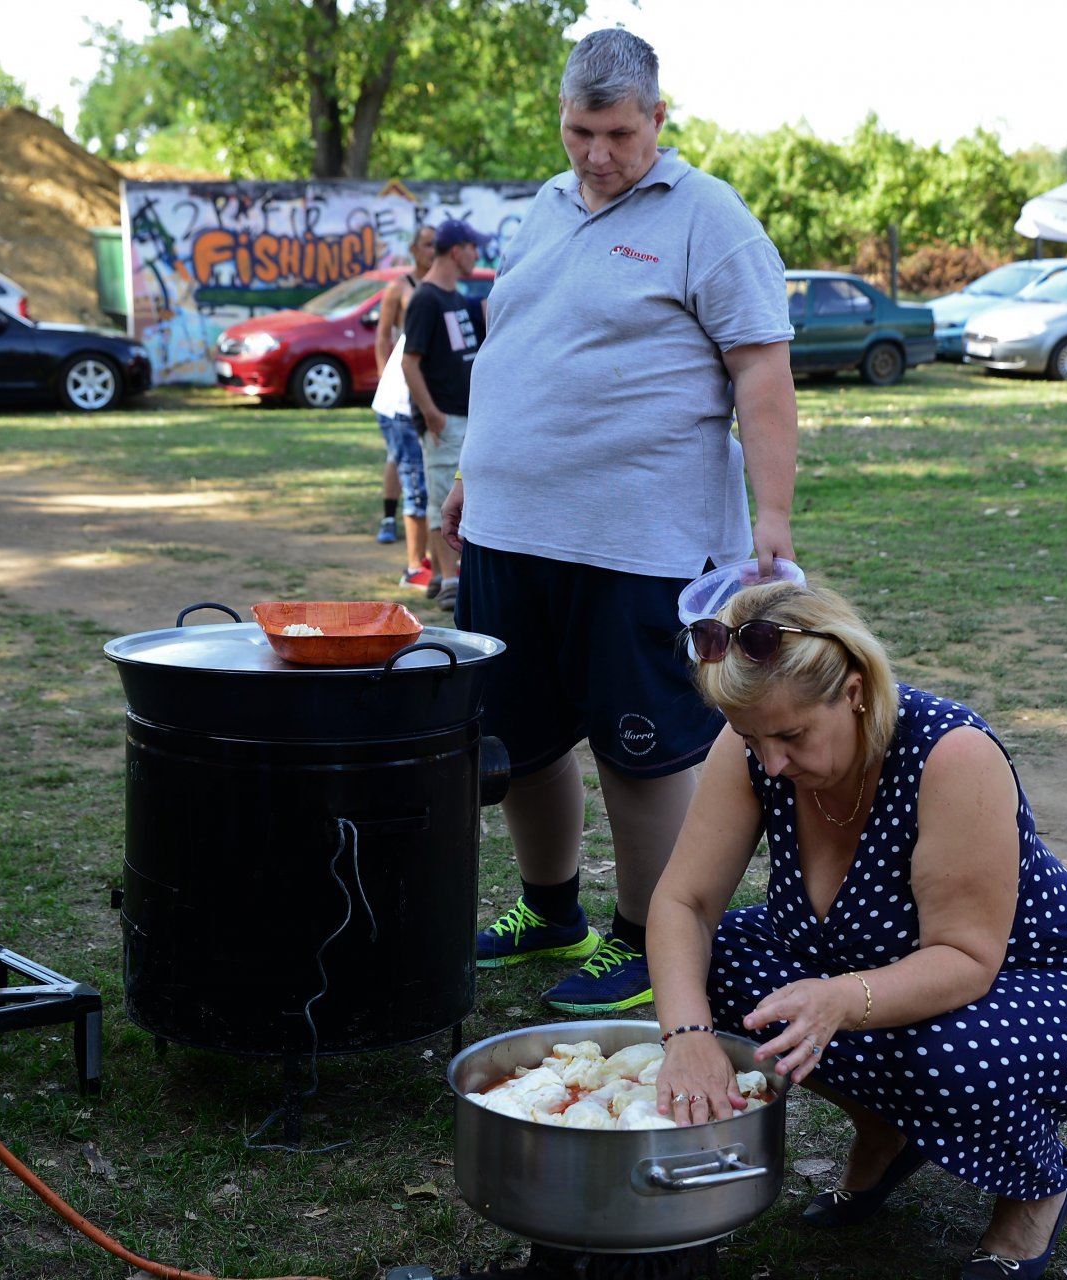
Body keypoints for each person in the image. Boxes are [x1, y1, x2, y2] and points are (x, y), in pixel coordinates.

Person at [646, 582, 1067, 1280]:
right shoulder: (756, 742)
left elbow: (967, 959)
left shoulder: (951, 753)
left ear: (854, 691)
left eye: (792, 737)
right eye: (752, 737)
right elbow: (684, 904)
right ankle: (885, 1133)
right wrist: (688, 1039)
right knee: (714, 965)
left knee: (946, 1052)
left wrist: (836, 998)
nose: (771, 764)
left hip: (1058, 985)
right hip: (881, 966)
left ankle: (1034, 1192)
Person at [441, 27, 798, 1013]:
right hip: (512, 531)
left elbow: (762, 370)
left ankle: (649, 935)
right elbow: (515, 347)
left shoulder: (707, 217)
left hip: (641, 544)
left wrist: (774, 518)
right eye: (577, 132)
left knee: (643, 747)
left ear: (658, 120)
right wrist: (474, 470)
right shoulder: (544, 210)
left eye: (617, 133)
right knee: (521, 741)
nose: (597, 155)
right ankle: (551, 908)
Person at [403, 218, 489, 611]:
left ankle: (446, 574)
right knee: (442, 494)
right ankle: (451, 580)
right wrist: (431, 412)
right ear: (458, 250)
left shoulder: (456, 297)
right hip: (444, 418)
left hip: (466, 415)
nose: (478, 254)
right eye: (474, 247)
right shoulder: (426, 298)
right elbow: (409, 362)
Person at [372, 223, 439, 588]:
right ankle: (413, 561)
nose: (434, 250)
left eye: (437, 245)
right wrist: (386, 378)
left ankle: (427, 560)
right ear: (414, 249)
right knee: (407, 469)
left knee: (414, 470)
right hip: (400, 397)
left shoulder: (442, 287)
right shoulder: (400, 288)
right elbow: (383, 336)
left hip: (421, 394)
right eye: (428, 245)